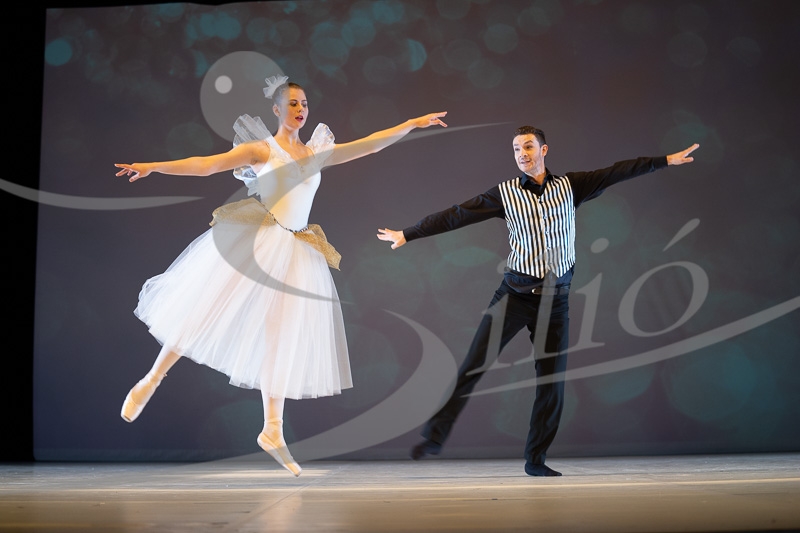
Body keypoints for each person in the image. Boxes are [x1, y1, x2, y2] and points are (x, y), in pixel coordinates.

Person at [115, 75, 447, 476]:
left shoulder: (316, 152)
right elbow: (207, 165)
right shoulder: (261, 149)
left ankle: (272, 428)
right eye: (292, 103)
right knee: (206, 308)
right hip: (259, 242)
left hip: (296, 250)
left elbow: (370, 144)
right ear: (276, 110)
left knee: (280, 336)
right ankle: (152, 379)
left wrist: (411, 123)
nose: (300, 109)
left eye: (304, 103)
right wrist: (152, 167)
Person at [377, 126, 699, 476]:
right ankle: (435, 437)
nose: (522, 154)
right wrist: (408, 233)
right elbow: (457, 214)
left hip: (555, 303)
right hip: (514, 296)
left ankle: (536, 460)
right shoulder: (505, 194)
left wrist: (665, 160)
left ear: (544, 150)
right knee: (473, 364)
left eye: (528, 147)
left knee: (551, 383)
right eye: (516, 149)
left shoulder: (571, 186)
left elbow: (617, 171)